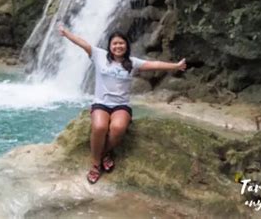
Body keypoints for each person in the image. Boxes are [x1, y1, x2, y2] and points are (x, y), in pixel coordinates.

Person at [58, 25, 187, 184]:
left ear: (126, 46)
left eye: (121, 43)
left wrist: (176, 66)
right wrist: (66, 33)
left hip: (121, 105)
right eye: (115, 44)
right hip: (101, 103)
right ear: (110, 46)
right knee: (99, 127)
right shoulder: (99, 55)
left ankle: (103, 153)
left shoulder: (132, 63)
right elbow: (82, 43)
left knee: (118, 128)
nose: (118, 46)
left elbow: (155, 64)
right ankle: (96, 164)